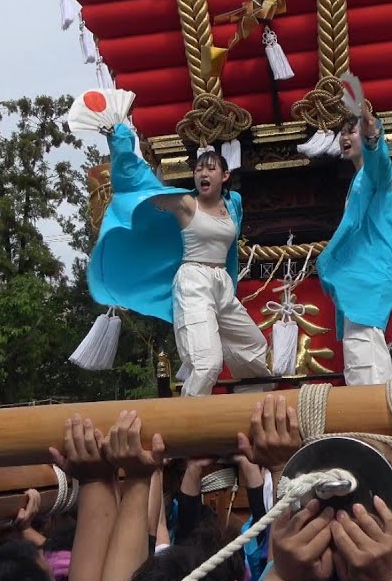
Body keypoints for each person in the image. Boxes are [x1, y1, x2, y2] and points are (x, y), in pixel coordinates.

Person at [87, 121, 269, 396]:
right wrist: (120, 140)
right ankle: (188, 429)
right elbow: (141, 182)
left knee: (253, 349)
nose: (203, 174)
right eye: (198, 169)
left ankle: (253, 411)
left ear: (225, 176)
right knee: (206, 364)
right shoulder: (185, 204)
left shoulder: (233, 205)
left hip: (222, 285)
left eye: (210, 168)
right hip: (193, 283)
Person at [316, 101, 392, 386]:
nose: (344, 137)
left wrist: (372, 137)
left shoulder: (375, 173)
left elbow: (380, 160)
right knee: (365, 349)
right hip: (365, 271)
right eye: (341, 133)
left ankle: (371, 421)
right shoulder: (360, 178)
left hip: (372, 269)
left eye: (350, 131)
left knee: (363, 351)